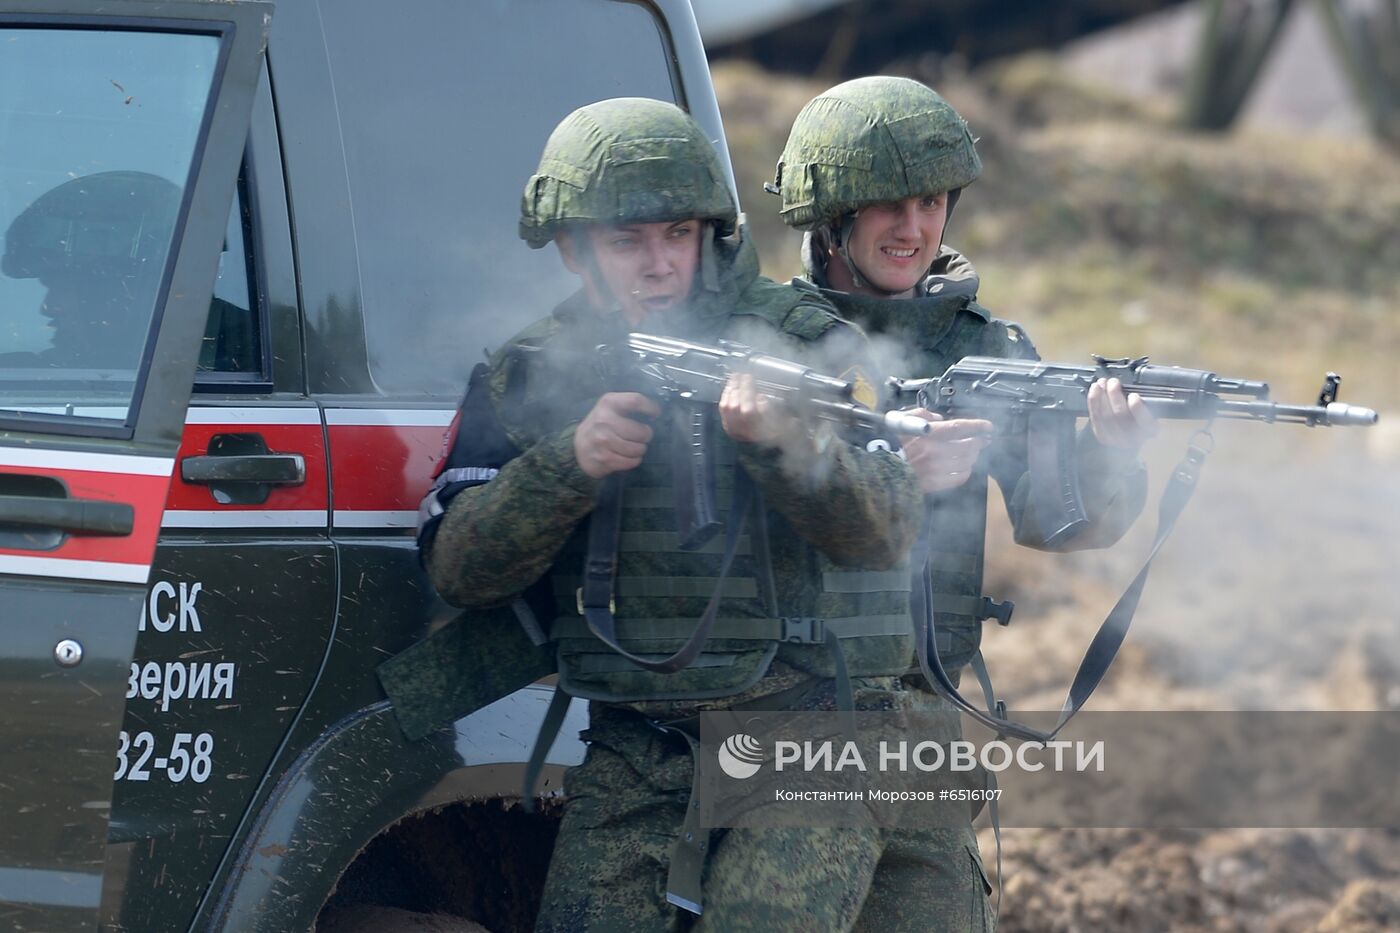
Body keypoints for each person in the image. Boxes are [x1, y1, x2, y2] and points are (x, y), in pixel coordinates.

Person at [409, 98, 960, 931]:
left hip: (810, 728)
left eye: (678, 234)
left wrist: (782, 446)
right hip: (639, 742)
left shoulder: (799, 339)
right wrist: (569, 464)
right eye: (627, 240)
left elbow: (884, 531)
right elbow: (460, 571)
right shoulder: (532, 373)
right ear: (572, 248)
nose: (658, 262)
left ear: (711, 235)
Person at [768, 73, 1158, 923]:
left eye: (934, 201)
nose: (914, 228)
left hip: (922, 713)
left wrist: (1109, 455)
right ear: (829, 212)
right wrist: (891, 475)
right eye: (887, 206)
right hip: (792, 714)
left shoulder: (983, 348)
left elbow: (1057, 520)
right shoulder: (769, 339)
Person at [0, 171, 180, 369]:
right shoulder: (39, 374)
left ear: (127, 290)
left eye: (61, 287)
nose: (48, 307)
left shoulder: (186, 380)